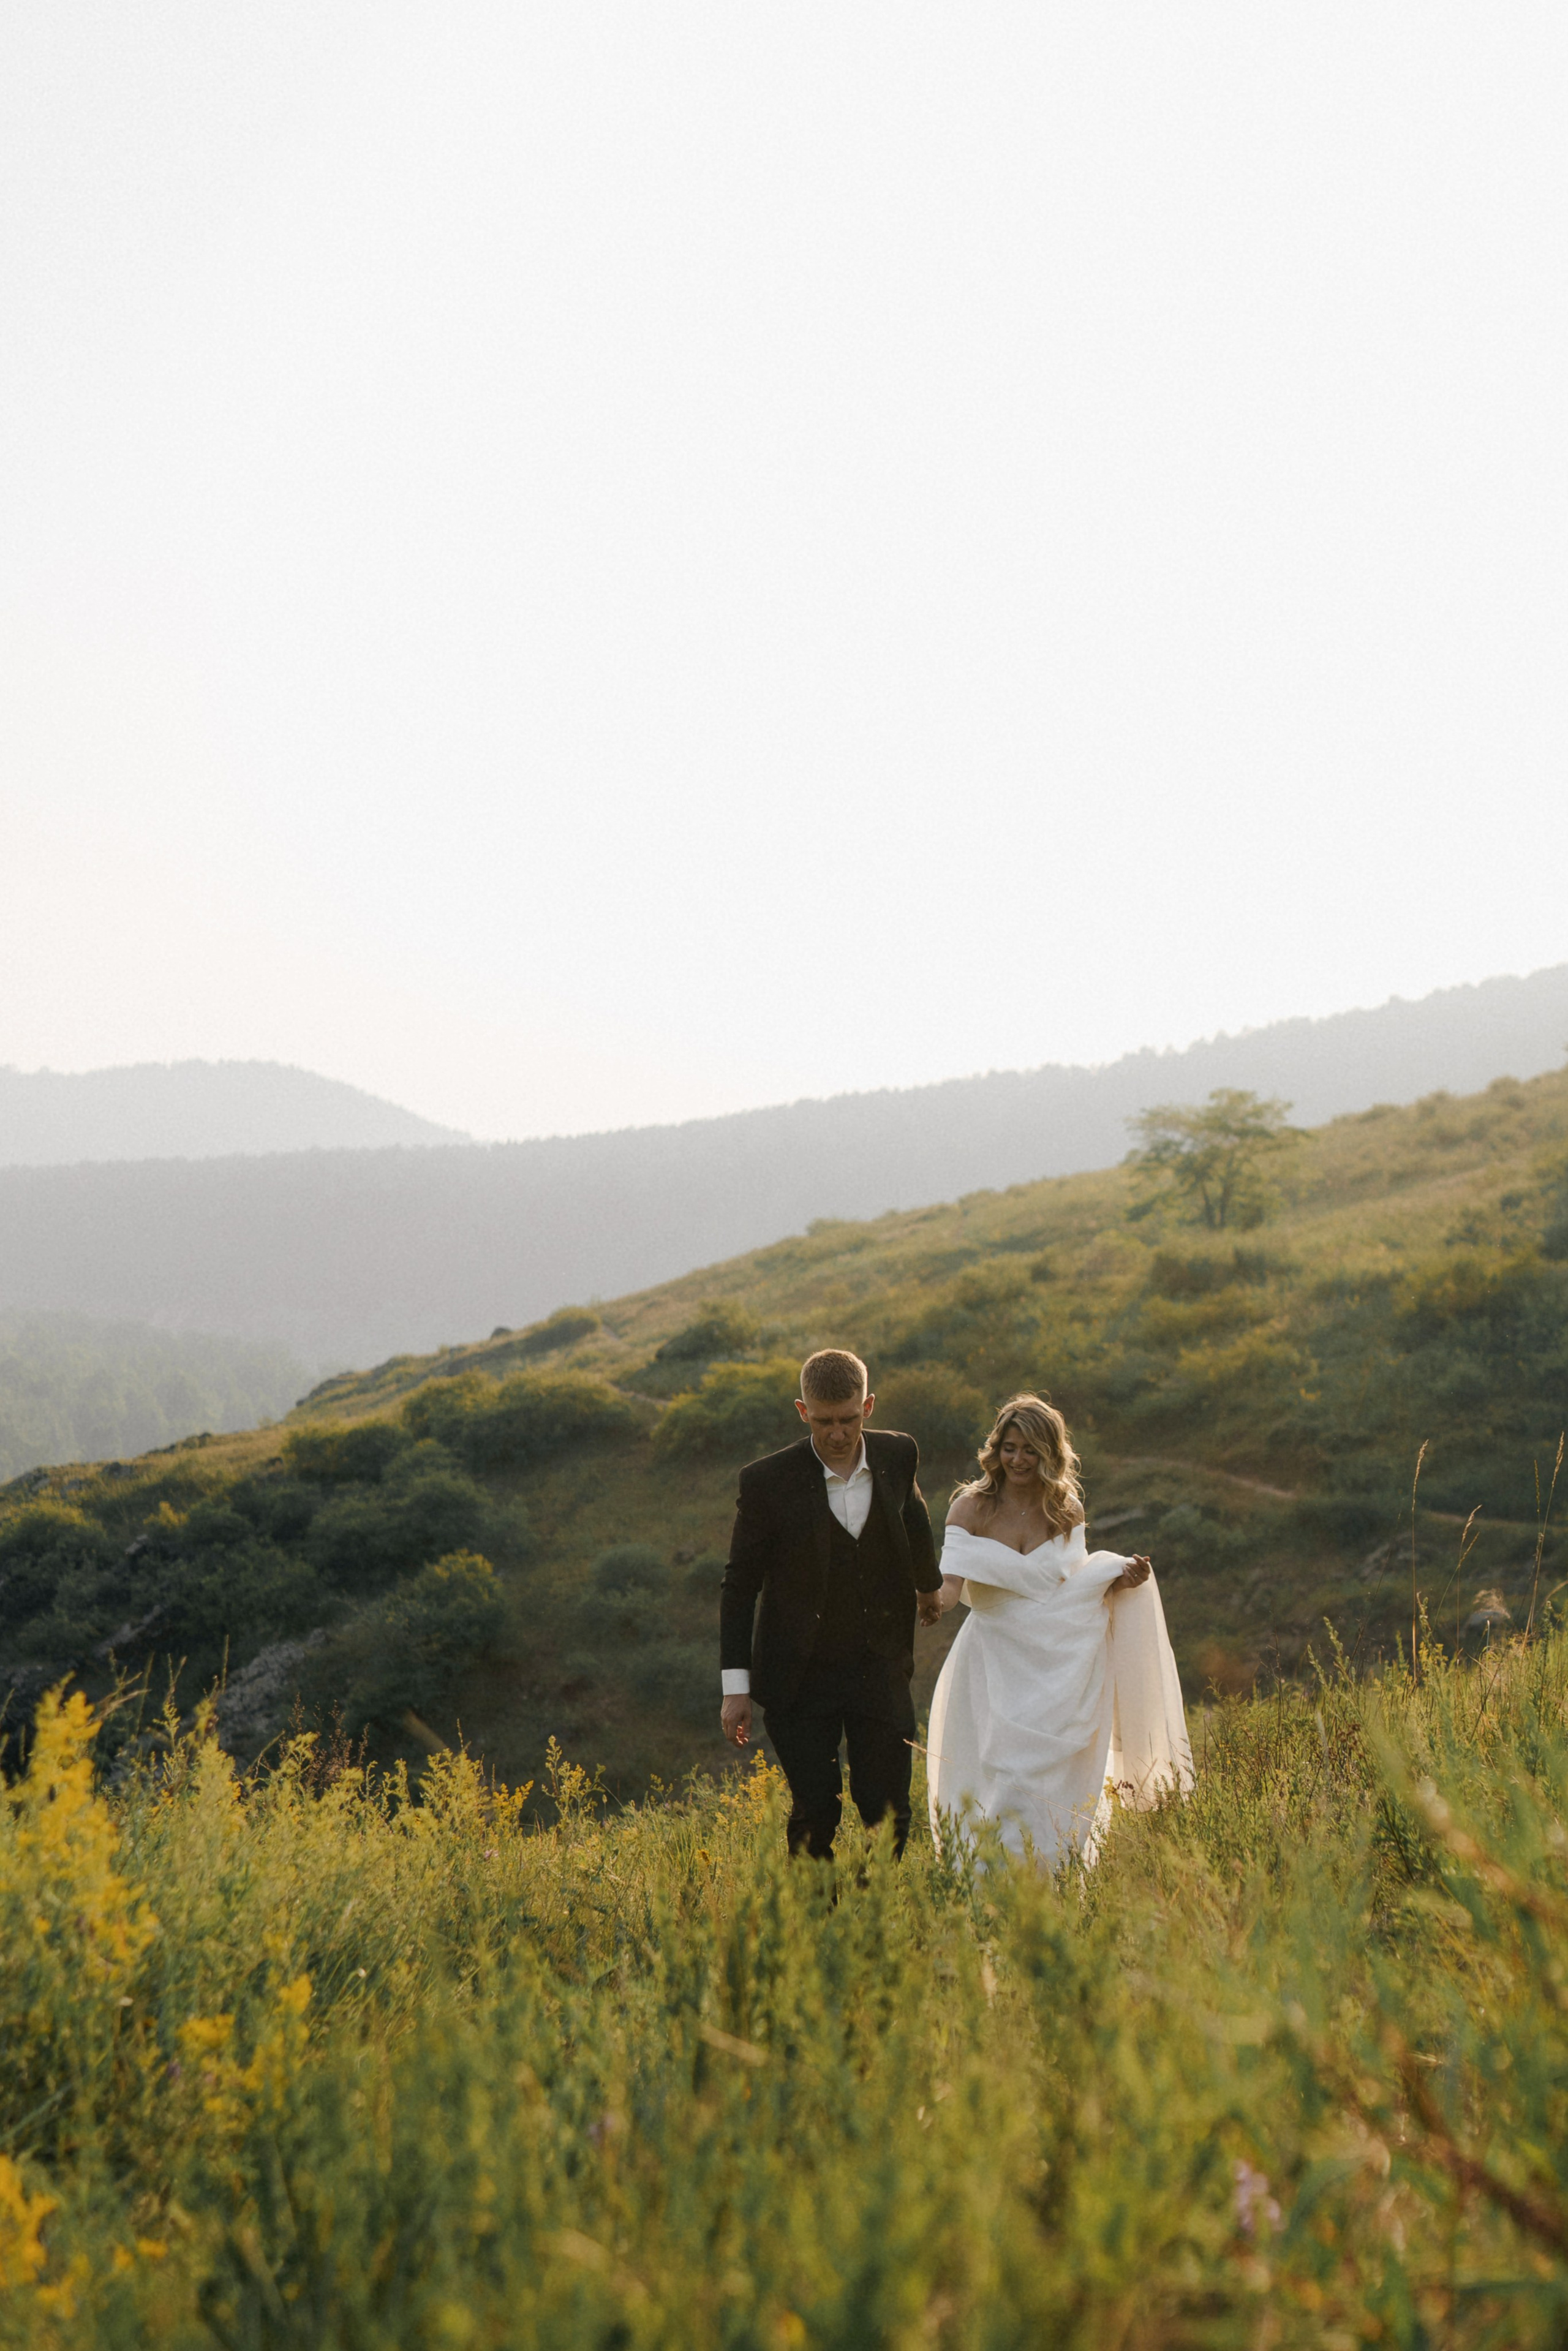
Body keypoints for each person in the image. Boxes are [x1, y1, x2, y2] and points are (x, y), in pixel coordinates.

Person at [927, 1393, 1192, 1866]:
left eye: (1030, 1449)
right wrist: (930, 1602)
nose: (1018, 1459)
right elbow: (950, 1586)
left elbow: (1071, 1584)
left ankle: (1054, 1888)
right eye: (1010, 1447)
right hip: (995, 1664)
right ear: (996, 1449)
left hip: (1058, 1667)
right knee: (1004, 1774)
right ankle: (990, 1894)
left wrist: (1117, 1578)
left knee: (1050, 1788)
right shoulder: (971, 1509)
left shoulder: (1066, 1509)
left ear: (1051, 1453)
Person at [719, 1348, 942, 1859]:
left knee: (887, 1810)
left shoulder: (898, 1453)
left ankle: (870, 1915)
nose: (837, 1434)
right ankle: (814, 1927)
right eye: (823, 1422)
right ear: (803, 1412)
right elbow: (739, 1586)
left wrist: (927, 1584)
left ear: (868, 1407)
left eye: (848, 1419)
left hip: (879, 1664)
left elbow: (914, 1514)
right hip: (798, 1675)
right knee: (816, 1810)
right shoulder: (765, 1482)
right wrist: (736, 1689)